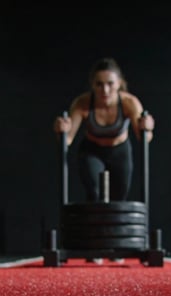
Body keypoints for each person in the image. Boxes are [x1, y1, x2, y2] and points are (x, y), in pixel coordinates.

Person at [53, 57, 155, 201]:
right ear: (92, 85)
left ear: (119, 83)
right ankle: (94, 222)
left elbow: (143, 138)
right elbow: (67, 140)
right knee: (94, 193)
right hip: (92, 151)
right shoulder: (83, 103)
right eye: (99, 84)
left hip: (120, 151)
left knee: (119, 198)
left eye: (110, 84)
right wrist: (61, 130)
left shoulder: (129, 103)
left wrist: (148, 129)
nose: (105, 90)